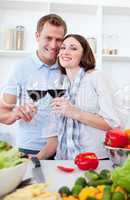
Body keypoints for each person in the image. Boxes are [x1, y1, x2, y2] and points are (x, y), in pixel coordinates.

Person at [38, 34, 122, 160]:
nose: (65, 52)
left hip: (96, 159)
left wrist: (75, 113)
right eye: (63, 48)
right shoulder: (61, 85)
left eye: (73, 48)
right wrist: (35, 159)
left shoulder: (96, 77)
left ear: (84, 55)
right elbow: (55, 137)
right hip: (65, 159)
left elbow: (113, 124)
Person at [0, 14, 67, 158]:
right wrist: (15, 114)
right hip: (29, 149)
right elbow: (2, 112)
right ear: (37, 36)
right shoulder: (21, 67)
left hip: (64, 149)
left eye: (59, 40)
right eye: (48, 38)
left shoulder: (68, 67)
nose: (54, 45)